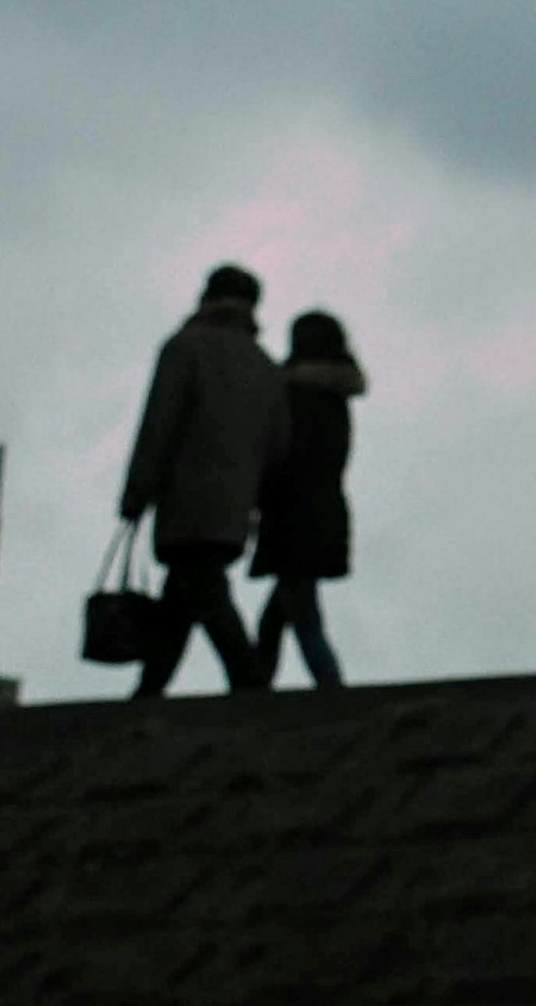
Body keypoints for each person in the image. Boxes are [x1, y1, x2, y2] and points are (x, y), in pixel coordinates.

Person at [118, 262, 294, 697]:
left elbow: (159, 423)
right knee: (185, 593)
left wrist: (137, 491)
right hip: (236, 503)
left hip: (185, 493)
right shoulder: (266, 366)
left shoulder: (185, 348)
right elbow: (278, 447)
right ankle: (149, 688)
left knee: (203, 590)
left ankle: (249, 681)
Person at [251, 310, 366, 688]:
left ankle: (329, 691)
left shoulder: (290, 393)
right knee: (286, 614)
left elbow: (278, 456)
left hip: (290, 513)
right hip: (324, 510)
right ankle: (254, 689)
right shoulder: (335, 396)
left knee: (300, 617)